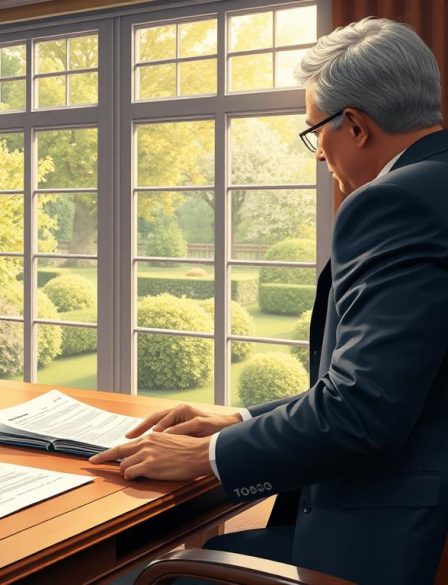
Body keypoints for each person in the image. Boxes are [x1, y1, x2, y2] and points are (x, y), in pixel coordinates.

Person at [91, 17, 448, 585]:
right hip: (409, 523)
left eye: (316, 132)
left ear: (354, 125)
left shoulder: (392, 203)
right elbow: (394, 381)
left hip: (373, 546)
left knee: (145, 574)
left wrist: (206, 457)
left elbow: (360, 415)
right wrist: (234, 419)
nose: (317, 154)